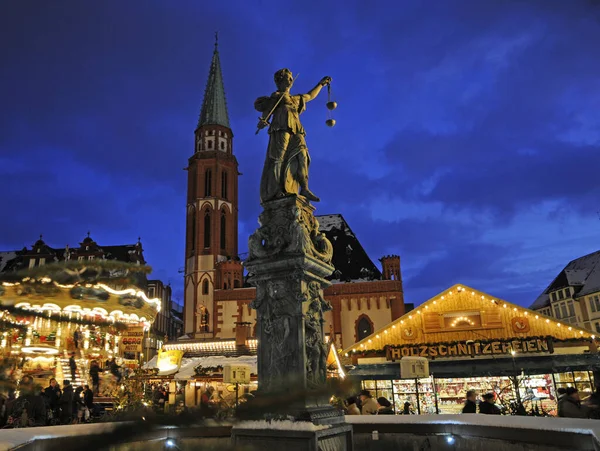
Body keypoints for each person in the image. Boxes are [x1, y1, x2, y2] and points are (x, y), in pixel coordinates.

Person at [254, 69, 332, 203]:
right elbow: (267, 112)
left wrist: (321, 84)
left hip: (296, 129)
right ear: (280, 81)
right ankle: (275, 191)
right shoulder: (277, 96)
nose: (291, 80)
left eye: (291, 78)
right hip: (281, 128)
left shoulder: (295, 99)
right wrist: (263, 121)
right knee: (279, 158)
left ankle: (304, 188)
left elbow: (309, 96)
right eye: (288, 78)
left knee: (302, 154)